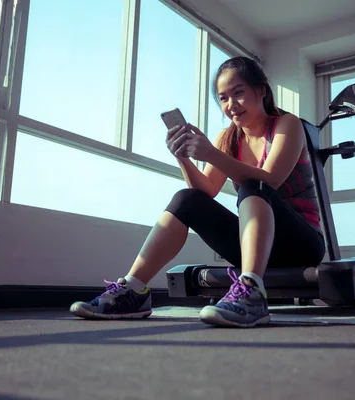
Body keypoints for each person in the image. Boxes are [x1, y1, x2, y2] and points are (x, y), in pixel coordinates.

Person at [70, 56, 325, 327]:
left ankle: (251, 293)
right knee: (186, 199)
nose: (231, 105)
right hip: (255, 243)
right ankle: (133, 290)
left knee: (254, 185)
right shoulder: (228, 139)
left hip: (301, 243)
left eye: (238, 93)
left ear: (261, 90)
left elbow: (270, 180)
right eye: (223, 98)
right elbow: (205, 191)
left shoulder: (287, 125)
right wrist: (184, 157)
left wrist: (211, 154)